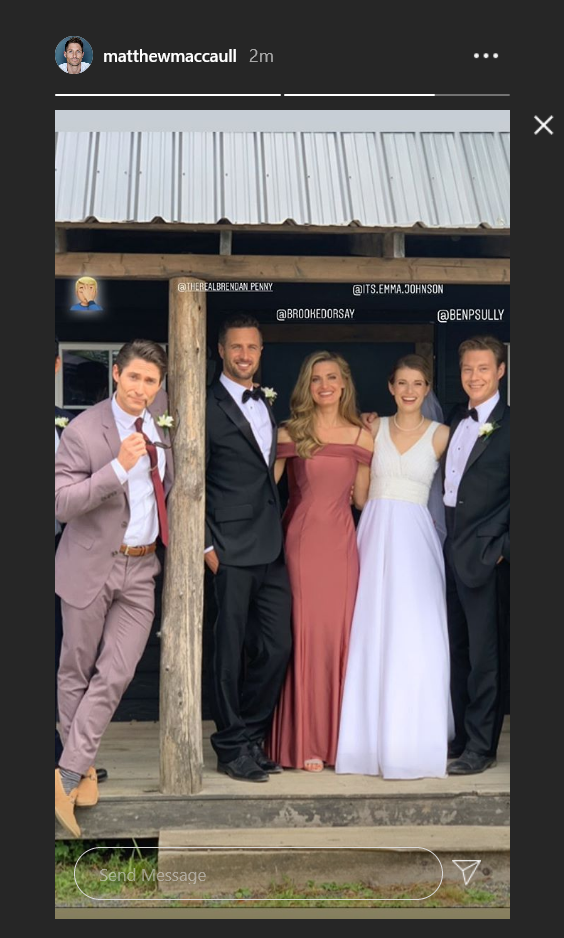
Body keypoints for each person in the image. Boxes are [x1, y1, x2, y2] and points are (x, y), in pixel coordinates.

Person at [55, 340, 174, 837]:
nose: (141, 389)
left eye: (151, 381)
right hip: (90, 565)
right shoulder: (84, 431)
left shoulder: (164, 423)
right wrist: (118, 468)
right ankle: (78, 771)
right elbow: (61, 503)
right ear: (116, 375)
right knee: (76, 670)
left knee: (118, 672)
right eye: (134, 377)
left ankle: (65, 771)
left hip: (142, 568)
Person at [336, 355, 452, 779]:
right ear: (390, 386)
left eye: (417, 383)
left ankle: (414, 738)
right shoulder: (372, 428)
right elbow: (359, 497)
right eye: (402, 383)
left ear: (427, 388)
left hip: (417, 539)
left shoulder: (443, 435)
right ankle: (367, 740)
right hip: (374, 533)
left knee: (416, 632)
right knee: (372, 628)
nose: (409, 391)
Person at [267, 352, 373, 771]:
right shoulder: (289, 431)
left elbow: (362, 500)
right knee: (304, 635)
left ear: (344, 383)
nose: (324, 385)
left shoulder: (362, 435)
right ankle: (305, 739)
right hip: (301, 542)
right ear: (306, 387)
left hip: (342, 547)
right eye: (316, 379)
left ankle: (339, 740)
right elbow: (264, 490)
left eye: (331, 377)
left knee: (337, 635)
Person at [205, 315, 292, 783]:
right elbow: (188, 478)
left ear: (261, 352)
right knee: (228, 651)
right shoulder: (205, 404)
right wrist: (204, 544)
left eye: (252, 347)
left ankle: (252, 737)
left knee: (277, 646)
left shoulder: (265, 401)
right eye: (236, 347)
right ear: (221, 350)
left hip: (270, 545)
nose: (244, 355)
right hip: (228, 546)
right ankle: (230, 745)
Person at [443, 336, 510, 775]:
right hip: (449, 549)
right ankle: (463, 737)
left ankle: (482, 747)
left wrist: (503, 549)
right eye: (468, 368)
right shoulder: (455, 417)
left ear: (500, 371)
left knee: (486, 657)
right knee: (458, 650)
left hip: (487, 555)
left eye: (483, 368)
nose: (474, 376)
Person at [55, 337, 109, 783]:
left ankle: (69, 759)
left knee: (66, 654)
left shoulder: (68, 426)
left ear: (56, 365)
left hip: (65, 551)